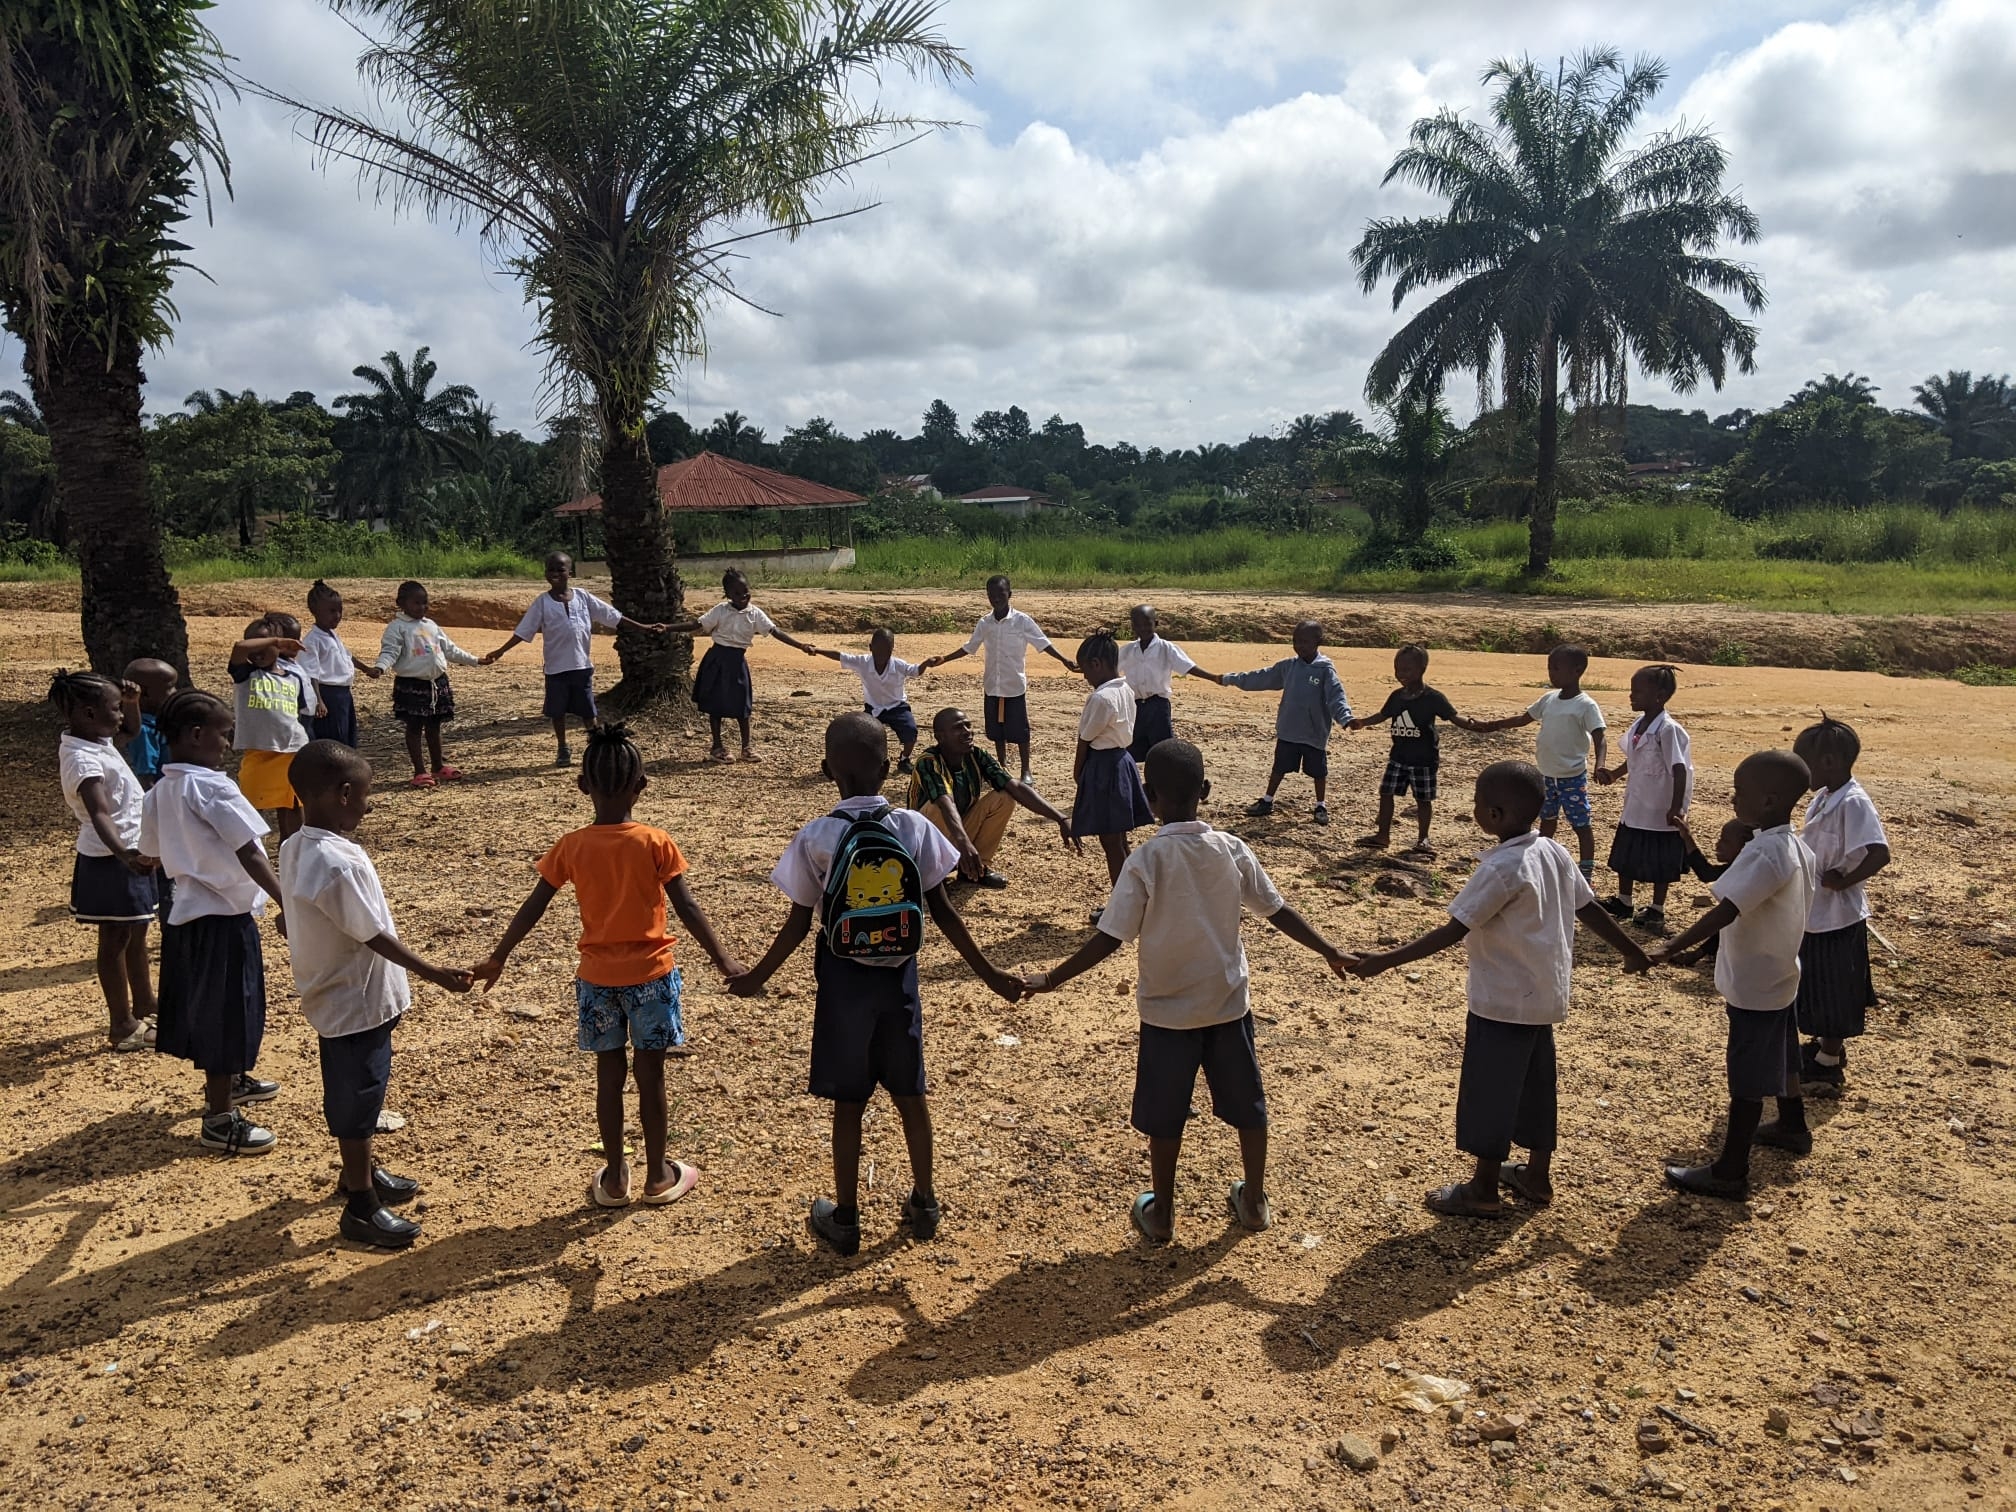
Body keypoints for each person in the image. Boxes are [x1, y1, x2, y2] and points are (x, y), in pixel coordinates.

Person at [1024, 739, 1353, 1243]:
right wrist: (1328, 949)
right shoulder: (1231, 849)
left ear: (1149, 797)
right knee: (1249, 1106)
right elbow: (1277, 910)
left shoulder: (1145, 860)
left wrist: (1051, 979)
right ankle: (1255, 1201)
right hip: (1226, 1005)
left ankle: (1162, 1215)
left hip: (1166, 1014)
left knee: (1166, 1116)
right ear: (1205, 790)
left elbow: (1110, 938)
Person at [730, 713, 1024, 1256]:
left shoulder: (818, 837)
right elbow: (944, 913)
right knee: (912, 1094)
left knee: (849, 1100)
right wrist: (989, 974)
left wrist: (754, 978)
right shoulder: (912, 827)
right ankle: (925, 1201)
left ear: (826, 771)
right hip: (900, 981)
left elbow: (798, 926)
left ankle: (844, 1218)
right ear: (890, 768)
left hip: (843, 983)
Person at [1346, 761, 1651, 1216]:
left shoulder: (1502, 868)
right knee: (1535, 1085)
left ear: (1494, 813)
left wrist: (1383, 961)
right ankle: (1536, 1175)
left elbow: (1452, 930)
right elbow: (1589, 909)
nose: (1473, 809)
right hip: (1543, 997)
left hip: (1503, 1003)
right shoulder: (1555, 852)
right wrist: (1632, 951)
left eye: (1476, 803)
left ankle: (1483, 1189)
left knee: (1490, 1091)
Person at [473, 722, 742, 1207]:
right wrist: (724, 960)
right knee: (652, 1076)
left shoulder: (572, 846)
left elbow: (534, 905)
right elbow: (688, 908)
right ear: (641, 787)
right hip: (653, 978)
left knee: (608, 1077)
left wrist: (499, 955)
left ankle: (616, 1178)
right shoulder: (656, 841)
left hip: (597, 981)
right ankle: (658, 1175)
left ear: (583, 785)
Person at [280, 741, 474, 1248]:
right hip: (354, 1001)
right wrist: (435, 972)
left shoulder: (297, 846)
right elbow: (372, 935)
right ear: (343, 794)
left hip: (341, 995)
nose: (368, 805)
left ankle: (357, 1171)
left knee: (361, 1088)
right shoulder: (334, 864)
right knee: (357, 1095)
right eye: (365, 795)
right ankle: (361, 1207)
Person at [1651, 750, 1818, 1200]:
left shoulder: (1765, 852)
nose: (1732, 798)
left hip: (1755, 983)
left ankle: (1730, 1170)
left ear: (1768, 800)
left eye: (1740, 792)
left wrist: (1670, 946)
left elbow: (1726, 909)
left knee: (1746, 1077)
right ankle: (1792, 1124)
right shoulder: (1796, 845)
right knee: (1784, 1055)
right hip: (1781, 972)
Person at [140, 689, 289, 1155]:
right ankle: (220, 1117)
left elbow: (151, 854)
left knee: (212, 1007)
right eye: (225, 735)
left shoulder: (160, 791)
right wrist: (288, 900)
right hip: (224, 918)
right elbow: (248, 848)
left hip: (186, 916)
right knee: (229, 1011)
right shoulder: (213, 786)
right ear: (197, 735)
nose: (228, 744)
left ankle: (231, 1080)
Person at [52, 670, 161, 1051]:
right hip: (111, 858)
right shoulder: (82, 759)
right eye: (113, 709)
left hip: (130, 850)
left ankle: (146, 1002)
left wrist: (130, 704)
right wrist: (125, 854)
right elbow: (99, 813)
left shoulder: (95, 739)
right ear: (86, 713)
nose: (119, 717)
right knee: (115, 938)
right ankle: (122, 1024)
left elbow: (130, 731)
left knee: (137, 929)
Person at [482, 551, 670, 767]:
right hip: (556, 669)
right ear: (545, 574)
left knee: (588, 710)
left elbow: (613, 616)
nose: (555, 574)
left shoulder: (583, 597)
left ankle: (595, 744)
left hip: (581, 666)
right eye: (550, 570)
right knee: (557, 711)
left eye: (560, 570)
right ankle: (563, 748)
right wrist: (501, 650)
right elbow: (524, 631)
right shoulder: (542, 603)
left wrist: (643, 627)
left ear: (569, 573)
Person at [1790, 716, 1890, 1091]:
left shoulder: (1854, 802)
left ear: (1830, 762)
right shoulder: (1824, 796)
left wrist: (1845, 880)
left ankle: (1829, 1062)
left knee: (1835, 988)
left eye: (1806, 762)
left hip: (1839, 915)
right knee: (1816, 981)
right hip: (1817, 913)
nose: (1802, 771)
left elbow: (1879, 853)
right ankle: (1821, 1047)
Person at [1467, 646, 1608, 880]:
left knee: (1581, 825)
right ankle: (1542, 863)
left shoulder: (1586, 705)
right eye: (1549, 667)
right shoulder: (1548, 699)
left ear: (1577, 670)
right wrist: (1492, 725)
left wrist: (1599, 764)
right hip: (1546, 776)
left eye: (1556, 668)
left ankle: (1586, 873)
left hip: (1572, 777)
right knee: (1546, 823)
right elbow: (1524, 719)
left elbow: (1600, 737)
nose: (1551, 673)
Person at [920, 575, 1075, 783]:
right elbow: (970, 647)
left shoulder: (1022, 621)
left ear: (1009, 594)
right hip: (992, 685)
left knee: (1020, 731)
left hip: (1014, 686)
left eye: (1000, 594)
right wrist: (945, 659)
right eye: (991, 594)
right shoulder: (985, 623)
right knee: (996, 730)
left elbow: (1043, 643)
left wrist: (1064, 660)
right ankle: (1001, 766)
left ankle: (1026, 770)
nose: (996, 598)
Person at [907, 707, 1080, 888]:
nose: (967, 732)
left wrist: (1061, 818)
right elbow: (945, 803)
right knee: (938, 807)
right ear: (940, 737)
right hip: (921, 843)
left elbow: (1015, 787)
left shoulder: (975, 755)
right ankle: (933, 875)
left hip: (956, 835)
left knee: (1004, 797)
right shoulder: (928, 762)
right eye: (959, 728)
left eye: (968, 725)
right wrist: (964, 843)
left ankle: (975, 868)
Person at [665, 567, 818, 763]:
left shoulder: (754, 614)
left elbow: (775, 631)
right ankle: (717, 747)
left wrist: (801, 645)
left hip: (737, 662)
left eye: (745, 591)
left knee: (743, 706)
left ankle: (746, 748)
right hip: (717, 660)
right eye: (737, 593)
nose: (743, 596)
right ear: (728, 595)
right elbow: (696, 624)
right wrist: (668, 628)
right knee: (715, 705)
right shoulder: (720, 610)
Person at [1349, 643, 1483, 856]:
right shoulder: (1396, 696)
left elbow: (1454, 717)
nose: (1400, 674)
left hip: (1424, 760)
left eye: (1406, 670)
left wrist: (1475, 725)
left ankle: (1423, 839)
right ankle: (1382, 835)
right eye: (1397, 669)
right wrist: (1362, 722)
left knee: (1423, 800)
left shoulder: (1433, 698)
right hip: (1398, 757)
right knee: (1386, 793)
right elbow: (1382, 715)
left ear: (1422, 669)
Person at [1219, 619, 1352, 826]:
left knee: (1318, 772)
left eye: (1305, 641)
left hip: (1314, 734)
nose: (1299, 646)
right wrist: (1230, 679)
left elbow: (1336, 697)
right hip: (1288, 731)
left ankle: (1320, 805)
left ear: (1319, 641)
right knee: (1279, 768)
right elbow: (1260, 677)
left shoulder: (1325, 670)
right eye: (1296, 641)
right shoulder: (1288, 667)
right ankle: (1267, 800)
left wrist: (1345, 718)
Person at [1595, 664, 1692, 929]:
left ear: (1659, 696)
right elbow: (1635, 757)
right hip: (1637, 804)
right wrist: (1614, 775)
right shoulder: (1640, 724)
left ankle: (1657, 909)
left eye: (1637, 691)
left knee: (1661, 858)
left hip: (1660, 808)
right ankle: (1625, 901)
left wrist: (1676, 807)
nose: (1631, 695)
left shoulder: (1669, 729)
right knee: (1627, 852)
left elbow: (1679, 769)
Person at [363, 579, 484, 789]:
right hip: (412, 685)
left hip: (436, 684)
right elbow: (390, 651)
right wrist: (380, 667)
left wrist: (475, 660)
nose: (422, 607)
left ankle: (438, 766)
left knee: (434, 726)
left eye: (425, 603)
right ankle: (419, 771)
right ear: (401, 603)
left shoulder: (431, 625)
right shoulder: (397, 628)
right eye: (416, 603)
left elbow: (450, 649)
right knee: (414, 727)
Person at [1070, 632, 1155, 897]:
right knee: (1119, 838)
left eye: (1085, 670)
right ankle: (1134, 896)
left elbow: (1085, 738)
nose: (1085, 677)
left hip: (1103, 766)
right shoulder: (1126, 689)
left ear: (1096, 664)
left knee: (1110, 840)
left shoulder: (1101, 698)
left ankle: (1123, 903)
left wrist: (1078, 772)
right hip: (1122, 761)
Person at [229, 618, 310, 843]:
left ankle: (292, 852)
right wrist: (274, 640)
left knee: (292, 808)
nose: (257, 652)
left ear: (279, 648)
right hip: (259, 753)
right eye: (254, 644)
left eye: (264, 645)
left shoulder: (293, 678)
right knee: (251, 810)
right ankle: (252, 855)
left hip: (291, 751)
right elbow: (238, 648)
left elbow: (298, 714)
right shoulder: (245, 674)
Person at [806, 627, 926, 773]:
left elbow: (915, 670)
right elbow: (840, 656)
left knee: (911, 732)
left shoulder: (899, 665)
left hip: (897, 707)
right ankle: (860, 761)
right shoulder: (862, 662)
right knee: (860, 735)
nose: (882, 655)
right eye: (878, 651)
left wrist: (927, 663)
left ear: (892, 650)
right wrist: (817, 650)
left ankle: (904, 759)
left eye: (886, 652)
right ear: (870, 648)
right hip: (873, 708)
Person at [1118, 605, 1217, 762]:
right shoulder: (1128, 650)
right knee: (1132, 749)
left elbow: (1188, 666)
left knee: (1163, 751)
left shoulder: (1166, 648)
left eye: (1147, 624)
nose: (1143, 628)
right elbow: (1108, 666)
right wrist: (1083, 666)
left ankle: (1161, 783)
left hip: (1158, 706)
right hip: (1135, 707)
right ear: (1132, 626)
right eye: (1138, 624)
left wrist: (1213, 677)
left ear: (1156, 624)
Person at [1664, 818, 1758, 967]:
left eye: (1725, 841)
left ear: (1744, 848)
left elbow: (1725, 917)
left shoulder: (1753, 870)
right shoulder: (1740, 865)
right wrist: (1686, 836)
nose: (1717, 844)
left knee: (1729, 916)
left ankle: (1700, 953)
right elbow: (1706, 873)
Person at [297, 580, 359, 747]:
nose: (337, 615)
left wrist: (367, 669)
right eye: (331, 611)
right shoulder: (312, 640)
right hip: (327, 694)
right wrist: (318, 700)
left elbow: (347, 656)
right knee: (333, 737)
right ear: (315, 611)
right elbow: (311, 673)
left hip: (344, 694)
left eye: (339, 611)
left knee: (346, 734)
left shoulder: (332, 635)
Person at [119, 657, 179, 788]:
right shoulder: (143, 732)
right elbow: (146, 780)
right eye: (170, 687)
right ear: (144, 693)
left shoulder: (160, 722)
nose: (175, 692)